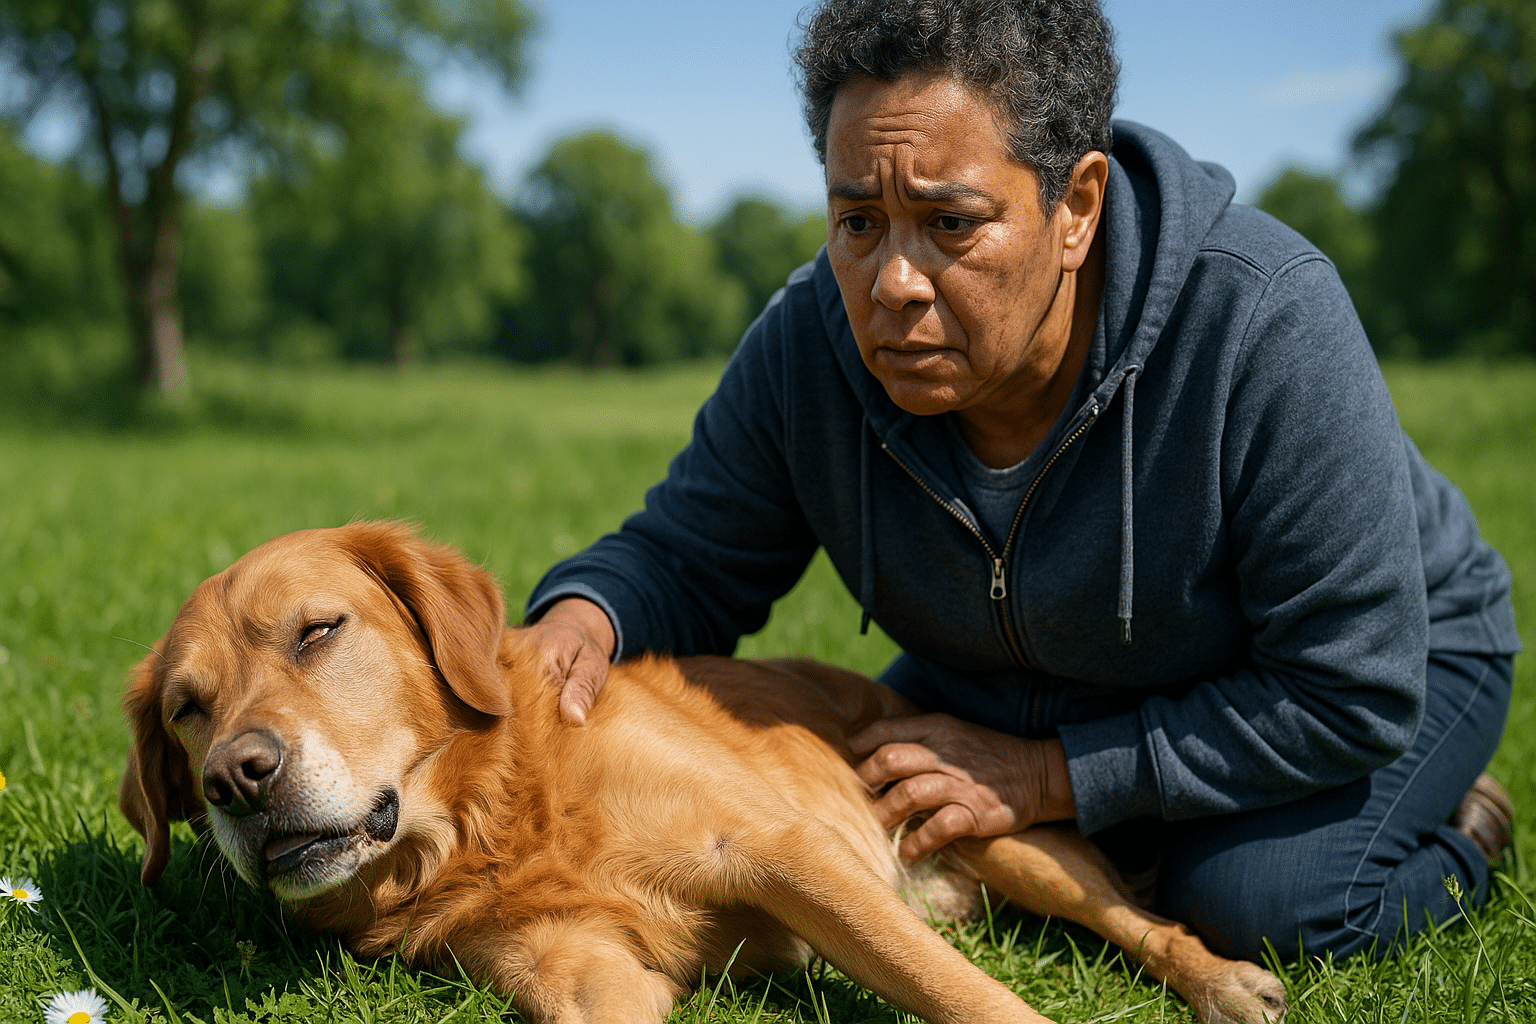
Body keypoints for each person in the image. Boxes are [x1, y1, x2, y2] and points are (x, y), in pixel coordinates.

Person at [517, 0, 1519, 964]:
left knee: (1254, 903)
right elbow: (688, 557)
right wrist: (585, 620)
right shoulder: (808, 342)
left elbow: (1353, 680)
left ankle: (1463, 827)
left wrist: (1052, 778)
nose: (891, 282)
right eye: (857, 220)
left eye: (950, 225)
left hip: (1376, 665)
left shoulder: (1262, 320)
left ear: (1075, 207)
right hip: (1016, 685)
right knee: (853, 800)